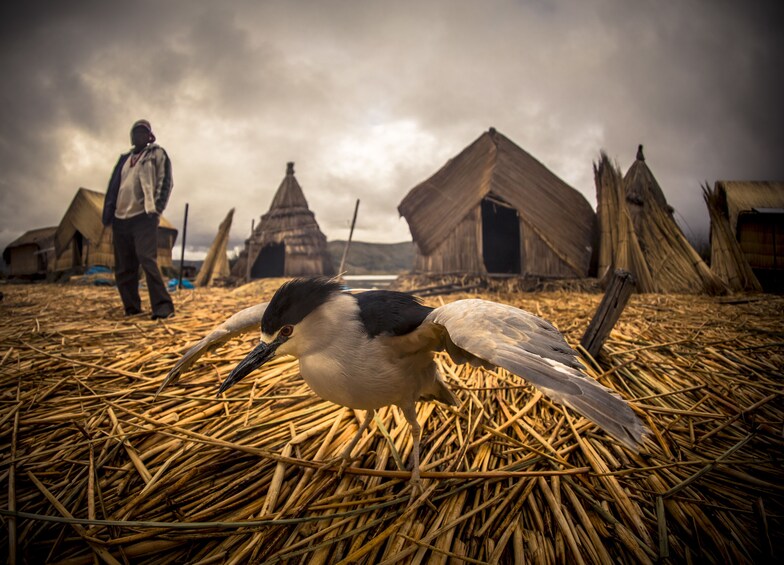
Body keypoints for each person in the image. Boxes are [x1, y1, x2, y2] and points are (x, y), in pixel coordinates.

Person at [102, 119, 175, 320]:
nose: (139, 136)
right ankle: (131, 308)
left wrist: (156, 209)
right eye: (136, 132)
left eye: (143, 132)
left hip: (144, 216)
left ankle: (163, 308)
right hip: (120, 218)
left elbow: (166, 181)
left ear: (149, 136)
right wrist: (108, 214)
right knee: (124, 266)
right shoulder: (124, 159)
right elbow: (114, 187)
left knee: (147, 259)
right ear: (132, 137)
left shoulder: (156, 154)